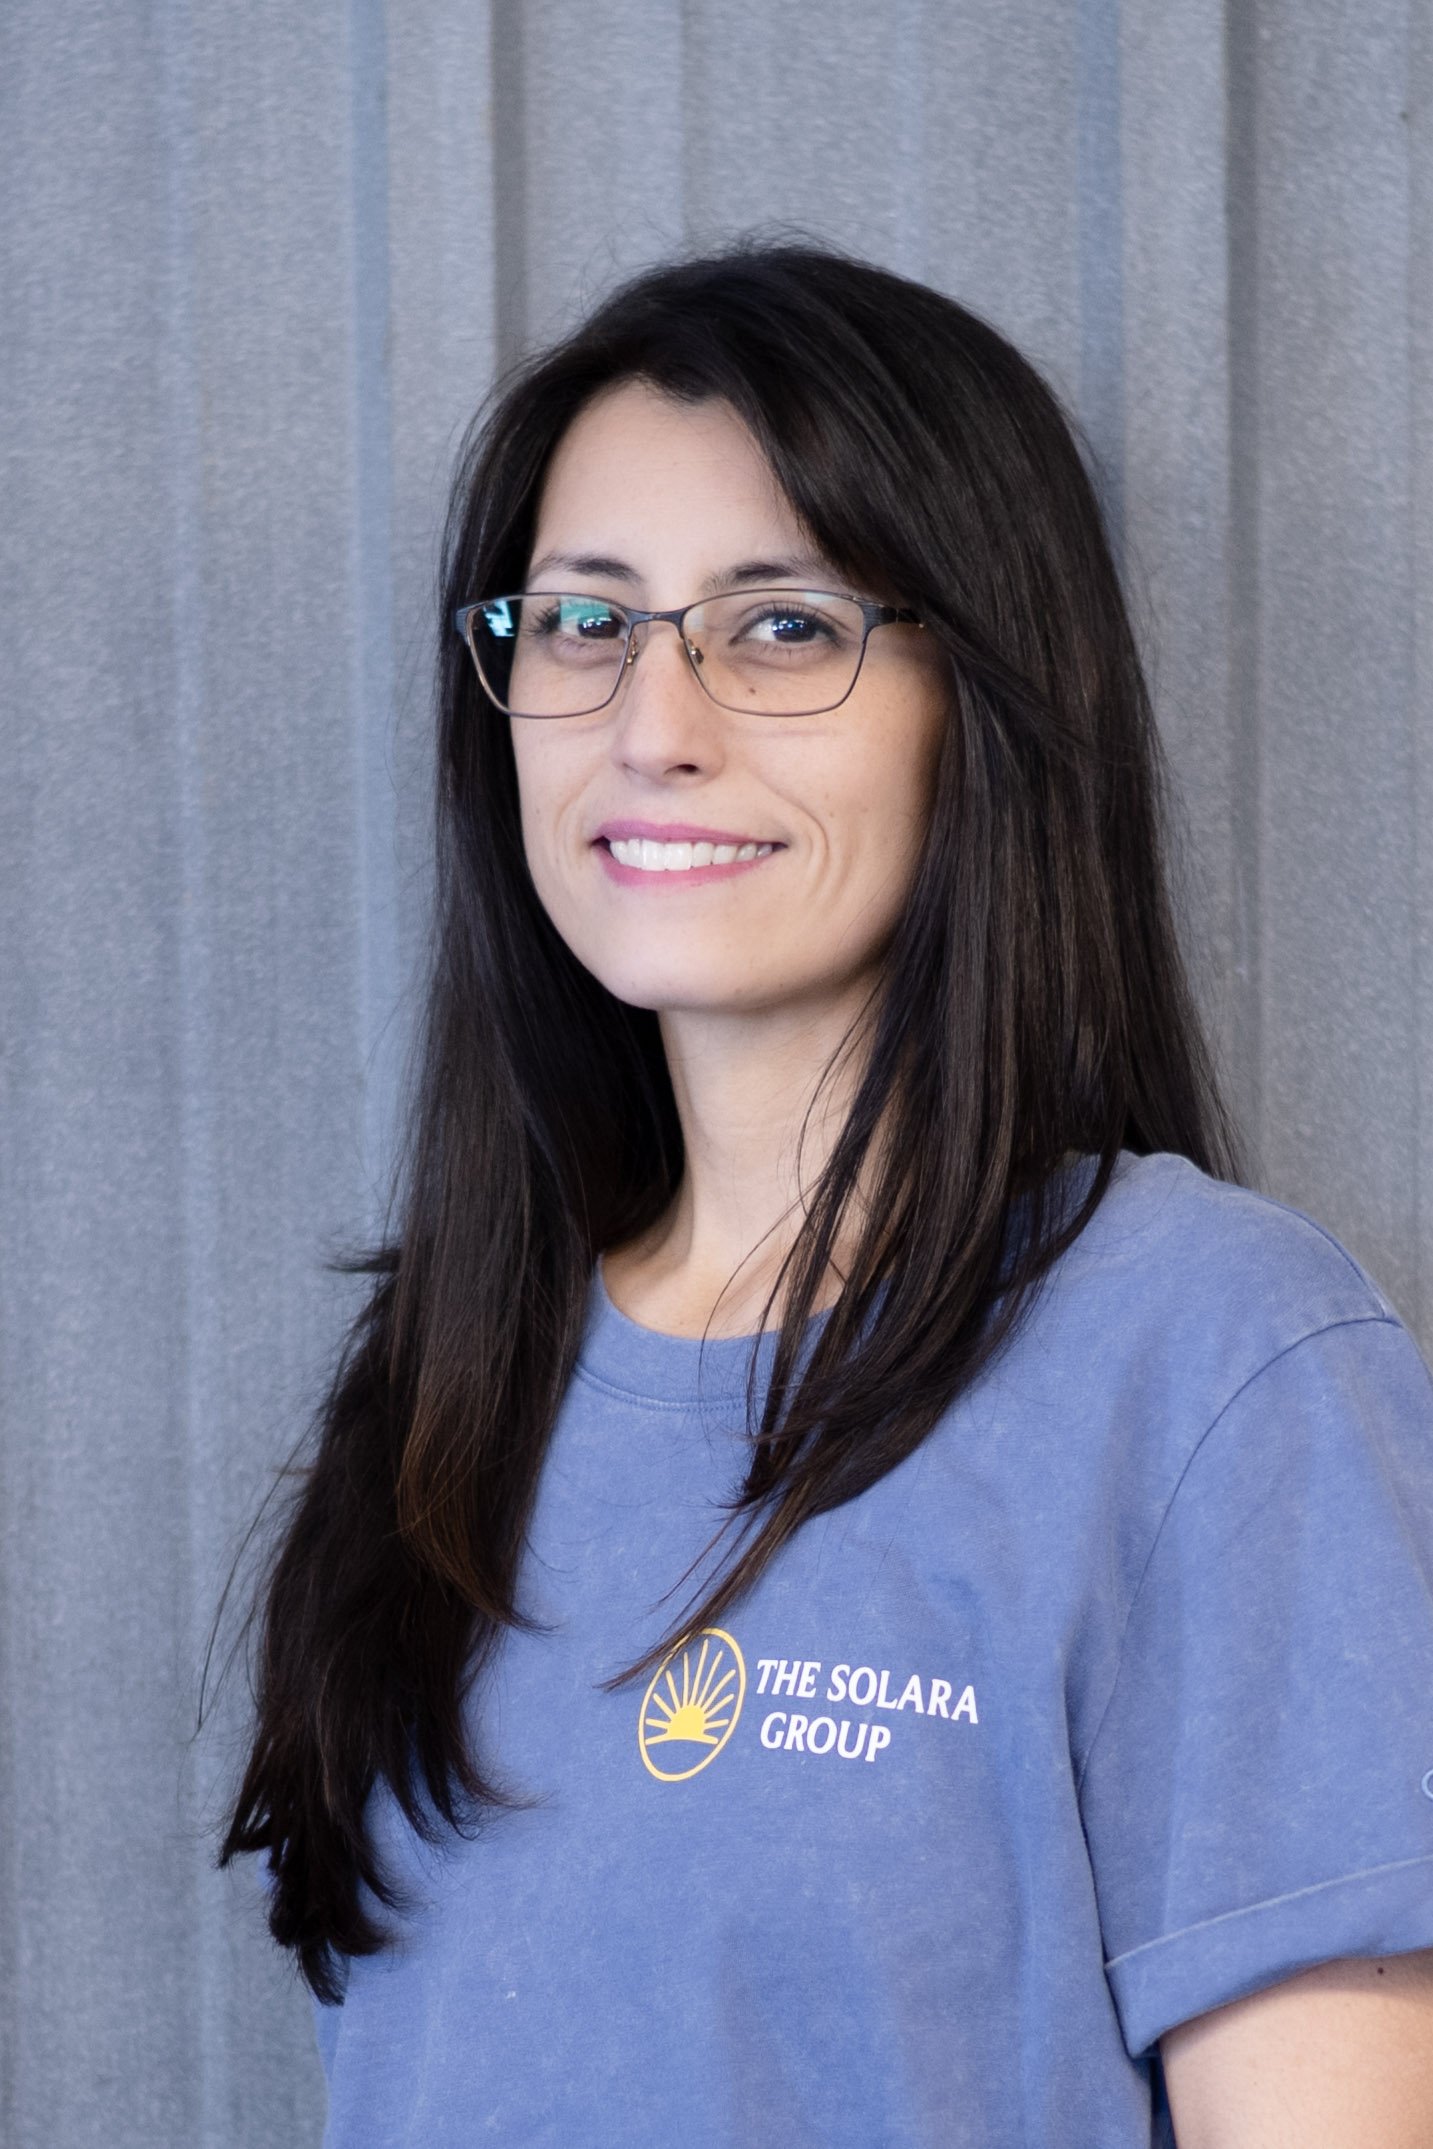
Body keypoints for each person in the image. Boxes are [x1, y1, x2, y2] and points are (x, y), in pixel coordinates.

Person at [222, 242, 1433, 2146]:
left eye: (782, 624)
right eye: (580, 621)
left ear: (987, 703)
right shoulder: (449, 1382)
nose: (654, 718)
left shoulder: (1210, 1358)